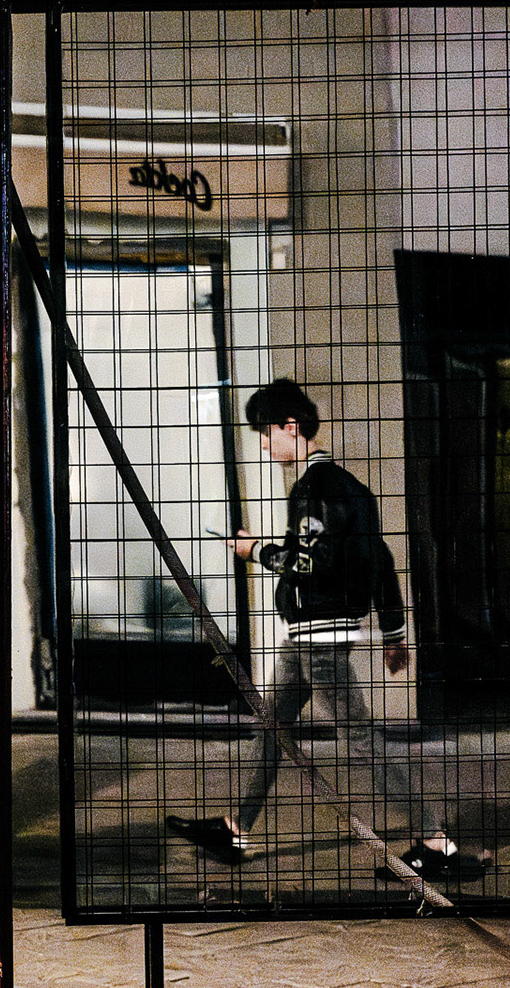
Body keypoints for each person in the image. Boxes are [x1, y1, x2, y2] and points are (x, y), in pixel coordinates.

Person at [167, 378, 490, 882]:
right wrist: (393, 632)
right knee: (271, 727)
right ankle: (236, 830)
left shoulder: (312, 490)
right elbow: (380, 561)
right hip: (308, 639)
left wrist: (255, 550)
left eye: (265, 433)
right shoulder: (354, 490)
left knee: (361, 741)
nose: (264, 445)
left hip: (318, 640)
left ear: (290, 426)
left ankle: (435, 842)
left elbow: (307, 563)